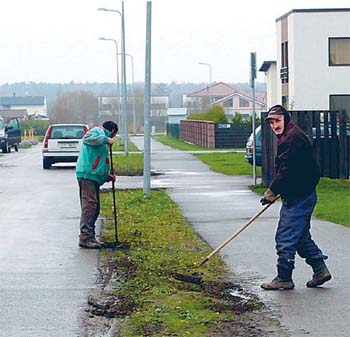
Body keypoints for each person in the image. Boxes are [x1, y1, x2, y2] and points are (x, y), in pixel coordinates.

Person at [260, 105, 331, 290]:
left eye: (277, 120)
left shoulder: (291, 139)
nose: (275, 125)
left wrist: (272, 191)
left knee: (285, 236)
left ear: (286, 119)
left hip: (300, 196)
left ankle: (284, 277)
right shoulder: (290, 135)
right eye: (272, 122)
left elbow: (285, 171)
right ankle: (320, 269)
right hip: (302, 193)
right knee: (299, 236)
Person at [76, 121, 118, 249]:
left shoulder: (102, 141)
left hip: (92, 176)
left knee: (95, 207)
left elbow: (99, 162)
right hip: (87, 175)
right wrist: (106, 139)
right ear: (112, 132)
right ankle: (85, 238)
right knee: (89, 207)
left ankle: (90, 237)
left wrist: (106, 176)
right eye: (114, 136)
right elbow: (88, 139)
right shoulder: (97, 132)